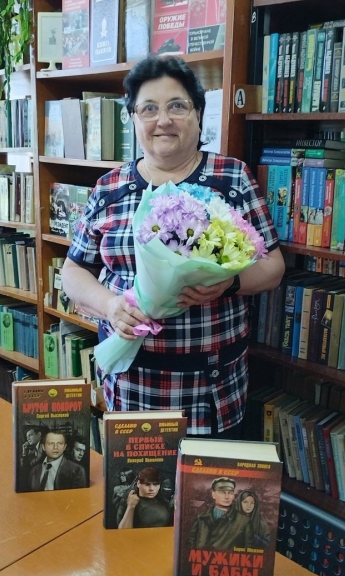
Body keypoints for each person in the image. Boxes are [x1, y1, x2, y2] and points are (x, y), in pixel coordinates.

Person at [61, 54, 285, 438]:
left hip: (212, 387)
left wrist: (229, 283)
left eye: (177, 106)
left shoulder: (232, 177)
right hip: (131, 385)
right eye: (149, 108)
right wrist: (111, 306)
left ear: (198, 114)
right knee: (137, 477)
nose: (163, 120)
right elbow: (74, 270)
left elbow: (274, 267)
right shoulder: (109, 187)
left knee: (208, 479)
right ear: (133, 118)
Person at [187, 477, 254, 550]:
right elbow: (190, 546)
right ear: (213, 494)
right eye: (222, 492)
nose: (227, 497)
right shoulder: (201, 518)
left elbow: (249, 551)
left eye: (230, 492)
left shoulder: (244, 521)